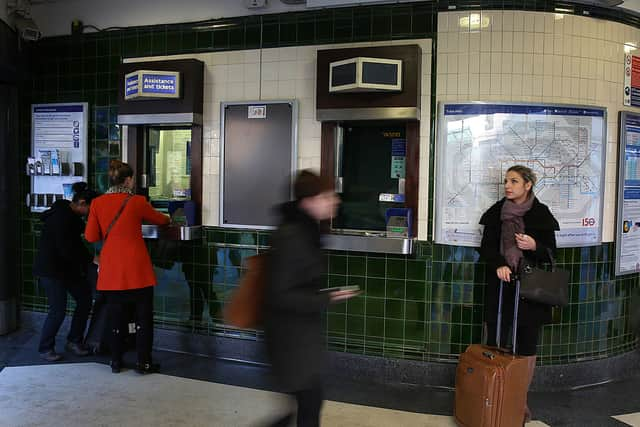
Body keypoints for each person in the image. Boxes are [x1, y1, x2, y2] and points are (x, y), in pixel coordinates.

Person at [264, 170, 359, 427]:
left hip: (301, 335)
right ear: (308, 201)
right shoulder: (292, 236)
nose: (335, 201)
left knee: (307, 402)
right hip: (289, 338)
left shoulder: (307, 231)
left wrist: (326, 296)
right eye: (327, 196)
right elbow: (281, 294)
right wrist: (325, 299)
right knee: (310, 401)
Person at [478, 165, 559, 423]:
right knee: (497, 340)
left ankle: (519, 400)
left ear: (528, 185)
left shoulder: (541, 214)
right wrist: (499, 264)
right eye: (505, 181)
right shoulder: (496, 214)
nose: (508, 186)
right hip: (502, 286)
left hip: (530, 287)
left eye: (514, 181)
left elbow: (550, 253)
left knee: (526, 344)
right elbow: (487, 248)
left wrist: (535, 245)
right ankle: (496, 397)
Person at [85, 160, 170, 374]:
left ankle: (115, 361)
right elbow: (161, 220)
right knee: (143, 318)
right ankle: (144, 362)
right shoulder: (137, 201)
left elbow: (91, 236)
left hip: (112, 271)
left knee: (116, 318)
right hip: (137, 270)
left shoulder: (97, 203)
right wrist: (169, 216)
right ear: (129, 180)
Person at [34, 182, 99, 362]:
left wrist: (87, 259)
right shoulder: (62, 218)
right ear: (82, 203)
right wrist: (89, 260)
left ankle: (74, 340)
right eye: (90, 209)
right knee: (57, 310)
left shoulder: (68, 215)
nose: (91, 214)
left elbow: (72, 247)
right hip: (52, 270)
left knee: (85, 299)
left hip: (66, 268)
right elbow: (67, 248)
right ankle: (45, 348)